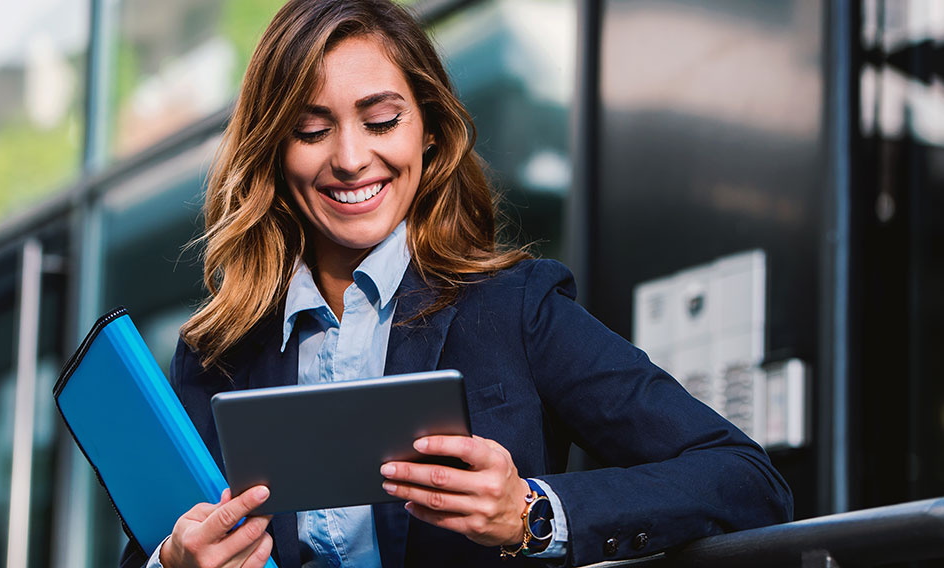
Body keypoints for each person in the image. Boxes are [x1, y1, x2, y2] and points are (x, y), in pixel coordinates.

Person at [120, 0, 793, 566]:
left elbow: (742, 478)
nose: (351, 159)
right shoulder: (219, 354)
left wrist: (531, 512)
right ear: (273, 150)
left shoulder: (516, 310)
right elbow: (151, 546)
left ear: (432, 137)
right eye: (310, 129)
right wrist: (172, 562)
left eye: (382, 120)